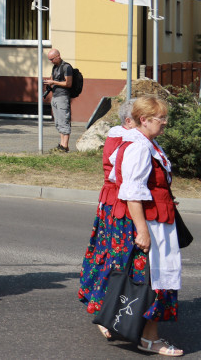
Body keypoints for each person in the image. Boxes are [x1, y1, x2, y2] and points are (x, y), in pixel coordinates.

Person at [88, 95, 183, 356]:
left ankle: (146, 334)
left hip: (159, 220)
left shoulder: (146, 143)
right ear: (144, 120)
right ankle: (149, 338)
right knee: (156, 278)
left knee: (160, 277)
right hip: (151, 223)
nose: (165, 123)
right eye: (160, 118)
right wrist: (142, 230)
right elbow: (131, 192)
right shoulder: (139, 147)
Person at [79, 98, 136, 339]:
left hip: (119, 203)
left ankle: (118, 306)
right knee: (115, 257)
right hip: (118, 204)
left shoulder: (131, 137)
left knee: (118, 256)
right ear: (129, 120)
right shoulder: (123, 138)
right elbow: (121, 177)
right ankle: (104, 308)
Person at [44, 49, 74, 152]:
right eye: (49, 60)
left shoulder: (66, 67)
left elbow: (68, 84)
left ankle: (65, 146)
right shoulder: (55, 67)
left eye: (52, 59)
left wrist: (54, 82)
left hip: (63, 97)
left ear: (58, 56)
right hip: (55, 97)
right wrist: (49, 83)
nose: (51, 61)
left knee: (64, 120)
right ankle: (62, 144)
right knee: (58, 121)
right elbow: (53, 80)